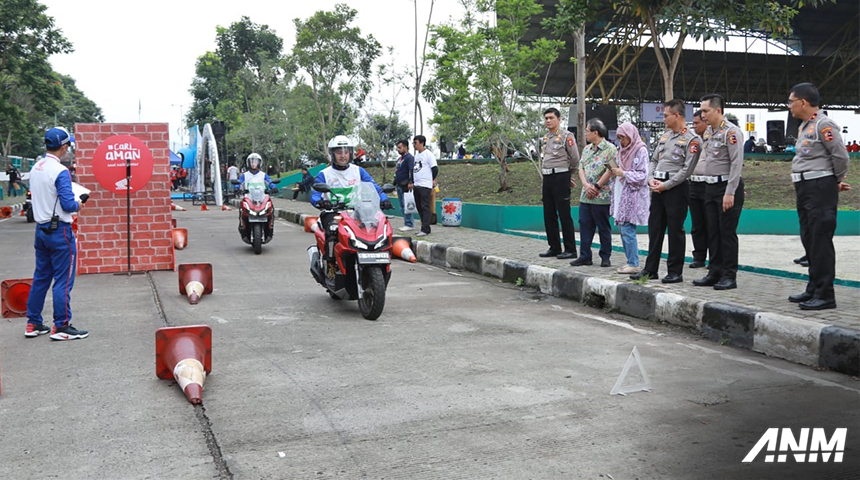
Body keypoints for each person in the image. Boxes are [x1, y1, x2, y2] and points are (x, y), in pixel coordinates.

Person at [786, 83, 851, 310]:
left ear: (803, 102)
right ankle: (813, 288)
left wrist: (834, 181)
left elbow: (840, 156)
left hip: (819, 188)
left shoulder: (824, 124)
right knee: (810, 239)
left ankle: (825, 295)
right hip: (805, 187)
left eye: (790, 101)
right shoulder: (806, 126)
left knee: (821, 240)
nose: (789, 106)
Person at [25, 127, 88, 340]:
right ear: (63, 146)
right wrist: (79, 203)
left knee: (41, 277)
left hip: (40, 229)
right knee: (63, 280)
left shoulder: (37, 167)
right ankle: (61, 326)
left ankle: (33, 323)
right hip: (60, 231)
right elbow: (68, 204)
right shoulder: (61, 171)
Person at [630, 100, 701, 283]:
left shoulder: (692, 140)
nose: (663, 119)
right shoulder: (665, 137)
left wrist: (667, 185)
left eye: (666, 115)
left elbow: (687, 170)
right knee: (655, 228)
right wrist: (651, 178)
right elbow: (653, 160)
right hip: (657, 186)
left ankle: (675, 271)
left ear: (677, 115)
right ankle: (650, 269)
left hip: (676, 189)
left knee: (675, 230)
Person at [693, 94, 745, 290]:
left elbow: (736, 164)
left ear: (718, 111)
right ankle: (714, 271)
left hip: (726, 187)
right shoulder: (709, 133)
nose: (703, 115)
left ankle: (729, 275)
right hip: (710, 187)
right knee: (712, 232)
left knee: (726, 233)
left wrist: (730, 192)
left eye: (706, 111)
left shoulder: (731, 133)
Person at [310, 136, 392, 256]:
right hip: (333, 212)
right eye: (339, 152)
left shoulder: (358, 171)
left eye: (346, 152)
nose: (343, 156)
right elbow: (315, 196)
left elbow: (375, 187)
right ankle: (330, 265)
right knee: (333, 230)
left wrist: (384, 199)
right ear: (332, 154)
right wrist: (321, 202)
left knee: (377, 227)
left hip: (357, 212)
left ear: (351, 153)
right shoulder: (324, 174)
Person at [606, 122, 650, 274]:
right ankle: (630, 261)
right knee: (622, 227)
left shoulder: (640, 150)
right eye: (619, 138)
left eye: (623, 138)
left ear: (630, 135)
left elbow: (643, 176)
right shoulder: (622, 151)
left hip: (633, 195)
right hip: (621, 192)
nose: (621, 142)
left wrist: (623, 173)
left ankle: (634, 263)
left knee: (627, 228)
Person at [571, 118, 615, 267]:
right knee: (584, 225)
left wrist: (596, 186)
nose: (585, 134)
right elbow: (581, 167)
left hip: (601, 195)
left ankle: (605, 256)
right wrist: (585, 184)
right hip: (585, 195)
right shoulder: (587, 149)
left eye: (587, 131)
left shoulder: (610, 148)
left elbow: (611, 170)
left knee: (603, 227)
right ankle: (585, 256)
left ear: (595, 133)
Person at [539, 108, 580, 260]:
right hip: (548, 177)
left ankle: (570, 249)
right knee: (549, 214)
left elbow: (575, 158)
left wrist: (568, 175)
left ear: (559, 119)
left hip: (561, 176)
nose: (548, 121)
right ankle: (554, 247)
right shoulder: (546, 138)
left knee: (564, 214)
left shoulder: (566, 136)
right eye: (546, 118)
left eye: (551, 118)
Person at [237, 153, 279, 243]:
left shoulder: (263, 175)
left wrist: (274, 187)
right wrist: (237, 188)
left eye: (256, 161)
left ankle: (270, 225)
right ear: (248, 163)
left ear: (259, 163)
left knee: (271, 209)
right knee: (242, 211)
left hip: (261, 198)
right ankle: (242, 224)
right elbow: (239, 183)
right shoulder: (245, 175)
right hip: (249, 198)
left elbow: (270, 182)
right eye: (252, 161)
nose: (253, 164)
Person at [408, 135, 438, 237]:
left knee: (425, 207)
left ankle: (425, 229)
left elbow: (435, 168)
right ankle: (425, 227)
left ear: (422, 143)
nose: (414, 145)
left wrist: (432, 179)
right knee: (419, 207)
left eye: (415, 143)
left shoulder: (428, 154)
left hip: (425, 185)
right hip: (417, 184)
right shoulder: (416, 156)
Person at [394, 140, 415, 231]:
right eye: (398, 148)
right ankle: (406, 222)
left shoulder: (409, 158)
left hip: (406, 185)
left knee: (407, 205)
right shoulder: (400, 159)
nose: (398, 149)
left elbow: (411, 170)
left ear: (406, 147)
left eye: (400, 147)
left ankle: (409, 224)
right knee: (402, 205)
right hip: (399, 184)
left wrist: (411, 182)